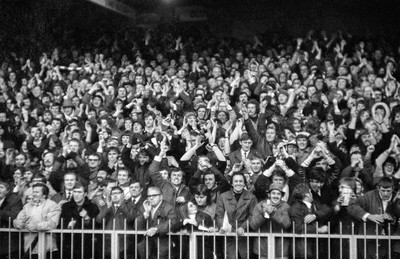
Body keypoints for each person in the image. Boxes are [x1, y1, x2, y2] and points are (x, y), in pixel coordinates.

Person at [348, 177, 398, 259]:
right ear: (378, 188)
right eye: (383, 191)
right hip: (369, 239)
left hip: (390, 241)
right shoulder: (369, 196)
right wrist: (368, 216)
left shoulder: (397, 197)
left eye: (388, 191)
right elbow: (352, 206)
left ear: (393, 189)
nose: (385, 194)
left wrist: (392, 219)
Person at [215, 172, 257, 259]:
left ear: (244, 183)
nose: (238, 183)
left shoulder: (251, 197)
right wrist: (222, 227)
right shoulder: (223, 196)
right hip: (228, 235)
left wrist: (243, 227)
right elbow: (219, 214)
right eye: (236, 181)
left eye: (241, 181)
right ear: (232, 183)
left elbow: (253, 216)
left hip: (244, 237)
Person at [13, 183, 61, 259]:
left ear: (44, 195)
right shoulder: (27, 206)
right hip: (30, 246)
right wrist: (16, 223)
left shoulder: (52, 205)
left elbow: (53, 223)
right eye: (33, 192)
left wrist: (36, 226)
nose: (33, 194)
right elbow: (19, 219)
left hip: (47, 248)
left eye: (36, 192)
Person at [289, 183, 331, 259]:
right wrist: (318, 230)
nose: (312, 194)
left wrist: (315, 215)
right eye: (310, 192)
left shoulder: (314, 205)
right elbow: (298, 228)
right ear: (307, 194)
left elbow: (327, 209)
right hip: (302, 249)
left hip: (314, 248)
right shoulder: (295, 208)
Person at [250, 183, 291, 259]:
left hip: (281, 248)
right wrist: (263, 214)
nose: (276, 196)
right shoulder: (259, 206)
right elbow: (253, 225)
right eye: (273, 193)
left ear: (282, 196)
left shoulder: (286, 207)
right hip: (262, 248)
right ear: (269, 194)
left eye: (278, 194)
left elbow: (286, 224)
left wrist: (273, 213)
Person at [59, 182, 99, 258]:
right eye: (74, 192)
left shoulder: (92, 207)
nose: (76, 195)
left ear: (85, 194)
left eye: (79, 192)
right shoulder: (66, 206)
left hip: (86, 246)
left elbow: (97, 227)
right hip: (69, 245)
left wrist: (87, 218)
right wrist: (68, 225)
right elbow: (60, 226)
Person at [136, 186, 178, 259]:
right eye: (149, 196)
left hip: (163, 246)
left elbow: (172, 221)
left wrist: (156, 229)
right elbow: (137, 226)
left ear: (161, 196)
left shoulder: (168, 207)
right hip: (147, 246)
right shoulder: (144, 206)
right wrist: (146, 213)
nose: (151, 198)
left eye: (154, 195)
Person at [95, 186, 135, 258]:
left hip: (124, 242)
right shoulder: (107, 206)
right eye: (113, 194)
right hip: (108, 241)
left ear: (123, 194)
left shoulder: (129, 205)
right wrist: (108, 207)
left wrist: (121, 206)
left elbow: (130, 218)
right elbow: (98, 220)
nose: (115, 195)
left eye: (118, 193)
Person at [0, 181, 23, 259]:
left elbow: (15, 215)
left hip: (10, 243)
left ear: (8, 190)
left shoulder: (15, 200)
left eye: (1, 187)